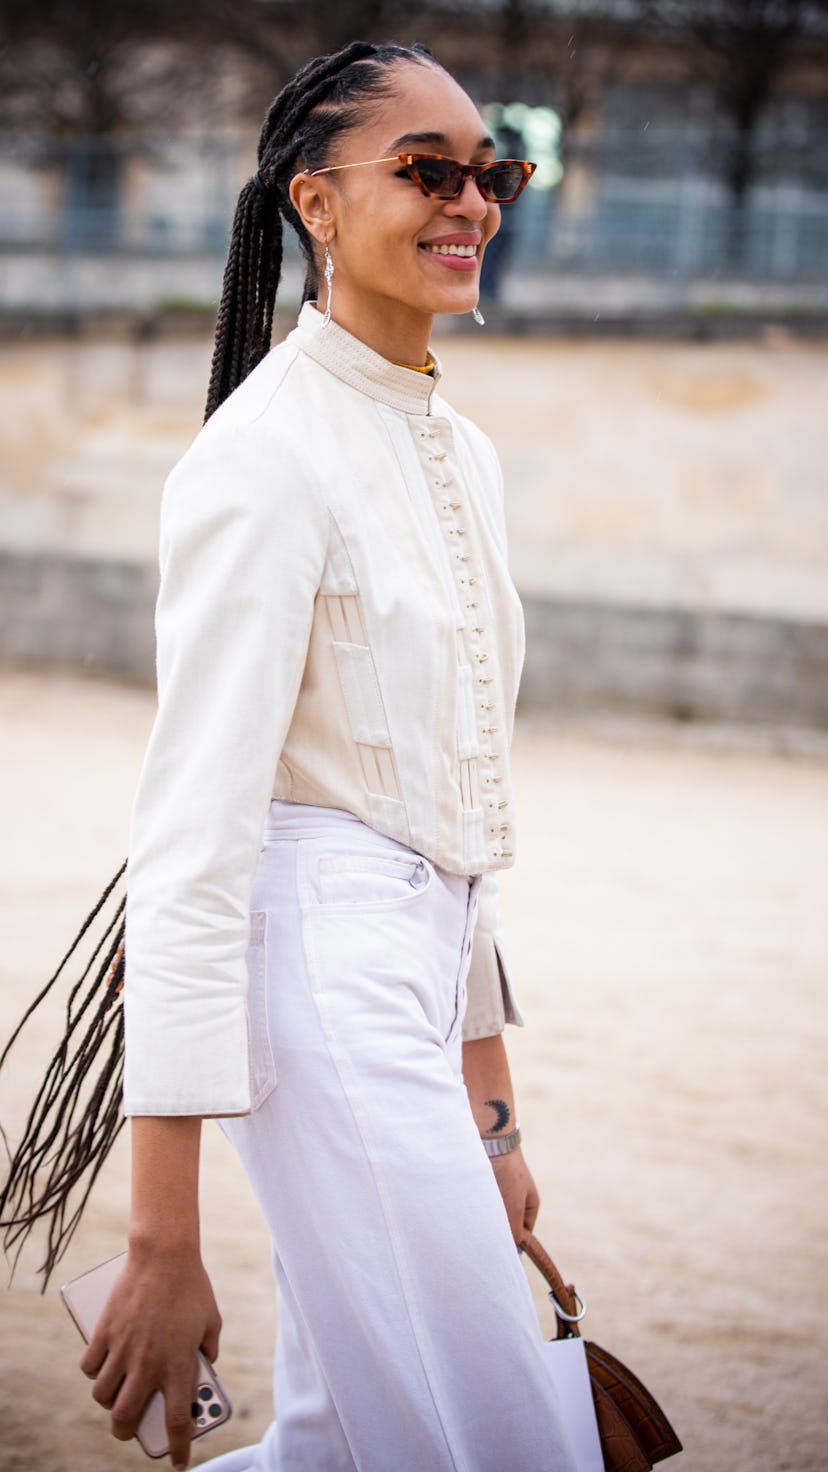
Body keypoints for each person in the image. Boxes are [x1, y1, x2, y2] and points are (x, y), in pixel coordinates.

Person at [80, 39, 576, 1472]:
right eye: (428, 171)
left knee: (343, 1449)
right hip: (319, 983)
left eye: (492, 174)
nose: (471, 203)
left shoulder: (464, 453)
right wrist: (161, 1240)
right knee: (510, 1443)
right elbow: (189, 849)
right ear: (315, 202)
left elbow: (459, 821)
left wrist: (492, 1127)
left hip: (412, 982)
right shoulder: (261, 458)